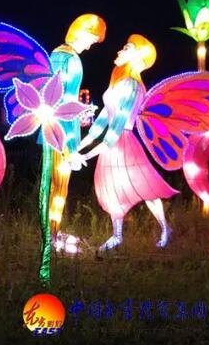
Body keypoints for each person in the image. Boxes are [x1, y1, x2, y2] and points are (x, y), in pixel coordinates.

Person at [68, 34, 179, 251]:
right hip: (111, 146)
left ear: (137, 57)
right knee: (113, 188)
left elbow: (116, 128)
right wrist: (76, 148)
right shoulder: (117, 84)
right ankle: (117, 235)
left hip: (124, 144)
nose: (120, 50)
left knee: (145, 188)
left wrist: (85, 155)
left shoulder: (133, 86)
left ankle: (165, 228)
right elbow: (101, 122)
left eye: (127, 48)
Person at [47, 14, 106, 235]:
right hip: (62, 134)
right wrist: (72, 148)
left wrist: (82, 109)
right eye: (91, 40)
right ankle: (52, 234)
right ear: (81, 32)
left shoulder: (58, 55)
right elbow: (64, 103)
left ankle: (51, 232)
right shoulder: (70, 59)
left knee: (53, 185)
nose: (90, 46)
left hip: (52, 129)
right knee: (59, 185)